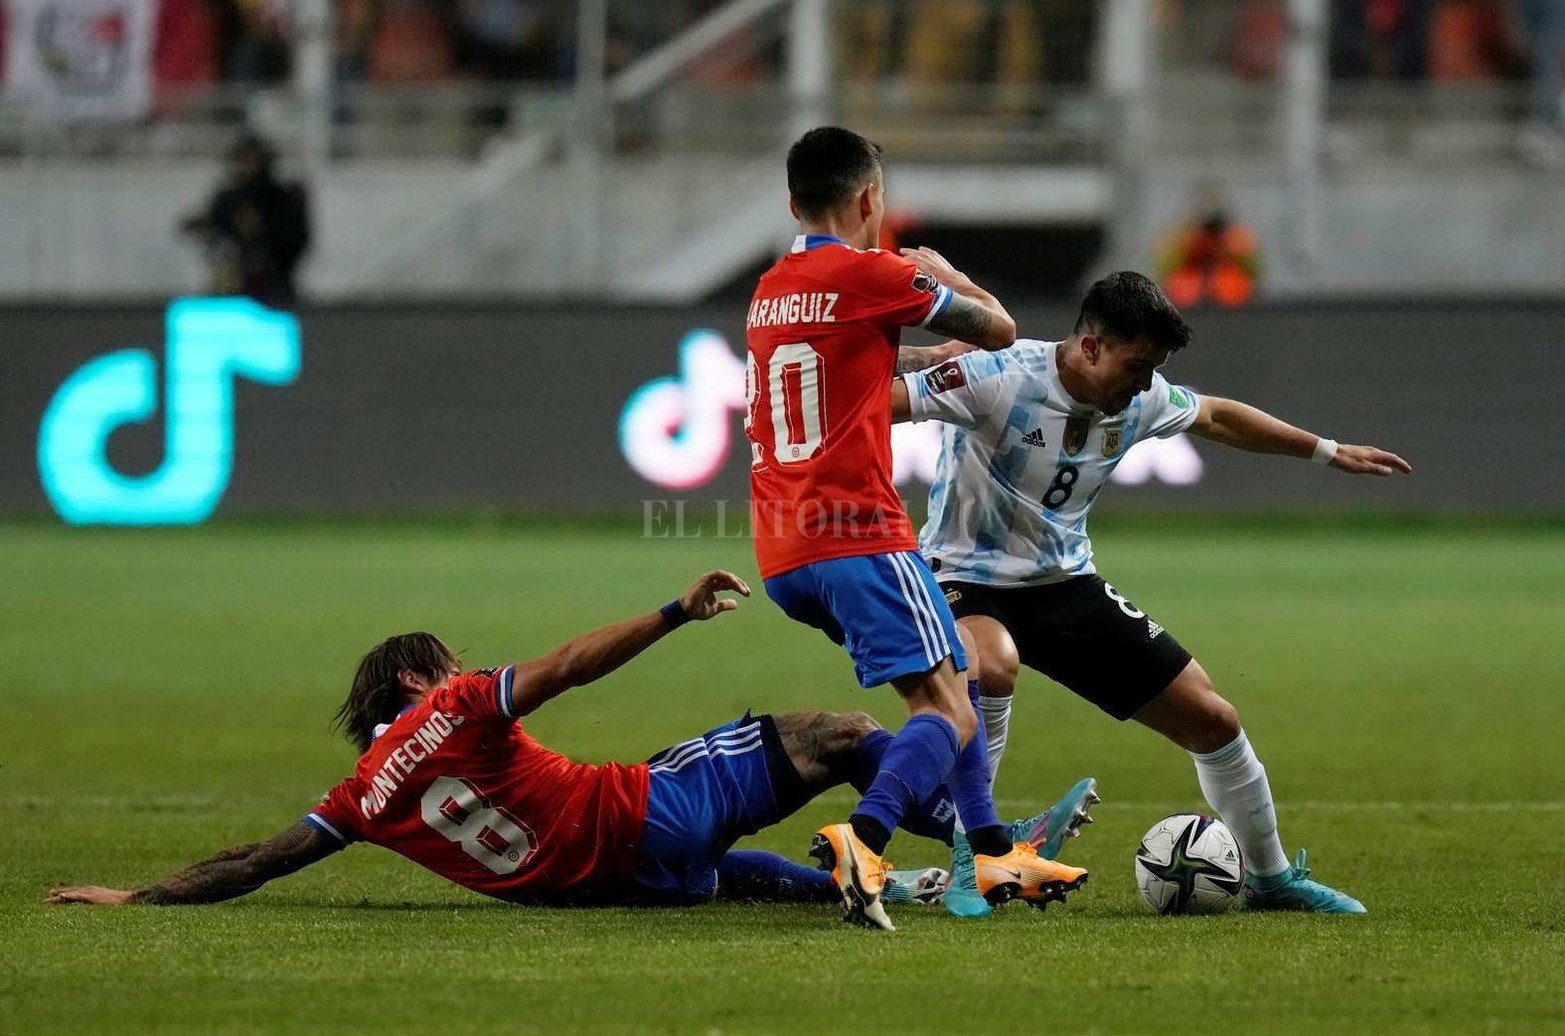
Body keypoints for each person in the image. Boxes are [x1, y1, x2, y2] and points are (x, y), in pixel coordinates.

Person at [46, 570, 1086, 914]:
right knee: (840, 729)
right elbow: (570, 666)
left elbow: (258, 860)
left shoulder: (361, 794)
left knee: (732, 873)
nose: (463, 664)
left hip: (603, 881)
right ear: (415, 677)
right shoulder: (448, 704)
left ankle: (889, 884)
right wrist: (671, 613)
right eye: (446, 659)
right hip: (635, 812)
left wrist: (138, 896)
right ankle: (974, 853)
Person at [892, 271, 1413, 914]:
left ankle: (1272, 880)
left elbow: (1217, 414)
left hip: (1064, 583)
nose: (1145, 385)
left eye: (1154, 371)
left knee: (1214, 719)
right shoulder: (1002, 377)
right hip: (963, 578)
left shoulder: (1137, 397)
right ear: (1089, 347)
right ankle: (978, 856)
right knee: (992, 664)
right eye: (1137, 367)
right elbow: (879, 403)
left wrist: (1328, 452)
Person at [745, 125, 1089, 931]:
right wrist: (946, 275)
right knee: (949, 711)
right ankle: (861, 843)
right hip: (857, 532)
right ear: (869, 200)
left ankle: (994, 849)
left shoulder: (770, 289)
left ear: (794, 202)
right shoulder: (874, 273)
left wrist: (913, 355)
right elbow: (1000, 334)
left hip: (783, 547)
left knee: (955, 675)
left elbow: (848, 356)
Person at [178, 133, 311, 307]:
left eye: (251, 160)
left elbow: (295, 242)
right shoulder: (229, 198)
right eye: (241, 160)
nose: (245, 167)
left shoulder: (282, 198)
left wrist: (261, 232)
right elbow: (212, 229)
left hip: (274, 286)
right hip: (232, 285)